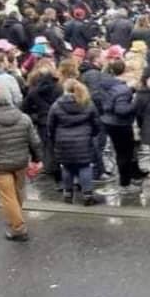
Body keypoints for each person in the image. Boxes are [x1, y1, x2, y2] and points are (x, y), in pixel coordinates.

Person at [0, 84, 42, 241]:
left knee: (8, 197)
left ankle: (18, 229)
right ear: (9, 99)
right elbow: (35, 142)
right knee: (18, 192)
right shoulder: (24, 118)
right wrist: (37, 159)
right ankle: (15, 216)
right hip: (20, 163)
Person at [48, 79, 101, 206]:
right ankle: (87, 195)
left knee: (67, 167)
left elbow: (51, 125)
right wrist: (91, 134)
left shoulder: (56, 105)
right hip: (84, 141)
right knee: (84, 167)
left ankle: (68, 194)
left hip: (63, 141)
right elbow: (96, 124)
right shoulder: (88, 103)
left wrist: (54, 138)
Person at [99, 58, 141, 192]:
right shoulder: (123, 89)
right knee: (125, 154)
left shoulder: (105, 84)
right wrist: (135, 104)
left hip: (107, 121)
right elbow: (121, 110)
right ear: (125, 70)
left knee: (118, 152)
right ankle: (125, 184)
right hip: (121, 124)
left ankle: (124, 180)